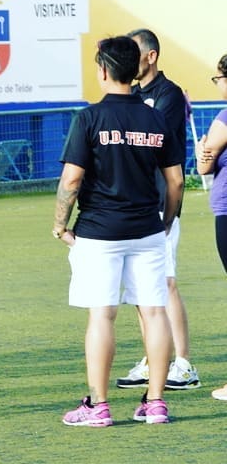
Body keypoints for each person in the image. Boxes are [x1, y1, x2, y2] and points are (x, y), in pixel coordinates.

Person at [54, 36, 184, 427]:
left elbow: (71, 180)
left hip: (99, 231)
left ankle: (99, 405)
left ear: (103, 70)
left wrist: (60, 225)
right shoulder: (155, 117)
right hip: (147, 229)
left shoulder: (89, 118)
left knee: (102, 316)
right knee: (154, 311)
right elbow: (175, 180)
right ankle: (155, 403)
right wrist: (166, 221)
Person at [115, 28, 200, 391]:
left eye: (134, 53)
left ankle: (184, 364)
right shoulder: (132, 95)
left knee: (166, 281)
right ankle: (153, 360)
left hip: (162, 203)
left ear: (151, 56)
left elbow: (152, 140)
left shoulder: (169, 94)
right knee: (140, 288)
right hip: (136, 201)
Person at [194, 55, 227, 401]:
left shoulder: (225, 118)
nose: (217, 84)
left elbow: (205, 165)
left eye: (217, 79)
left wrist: (201, 148)